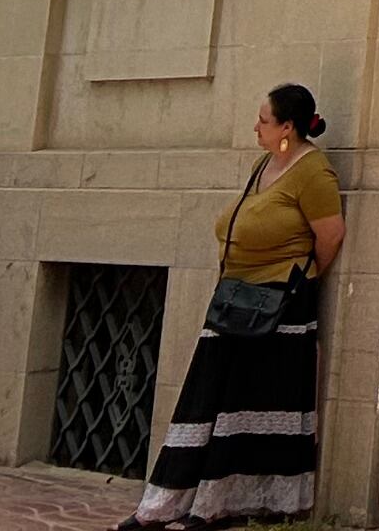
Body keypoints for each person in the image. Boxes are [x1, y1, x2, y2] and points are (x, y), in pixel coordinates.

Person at [133, 84, 345, 524]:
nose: (256, 126)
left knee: (252, 403)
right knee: (210, 399)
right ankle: (175, 503)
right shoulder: (263, 164)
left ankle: (234, 505)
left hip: (277, 308)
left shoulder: (314, 173)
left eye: (264, 120)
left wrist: (294, 282)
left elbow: (330, 237)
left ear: (288, 127)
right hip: (235, 299)